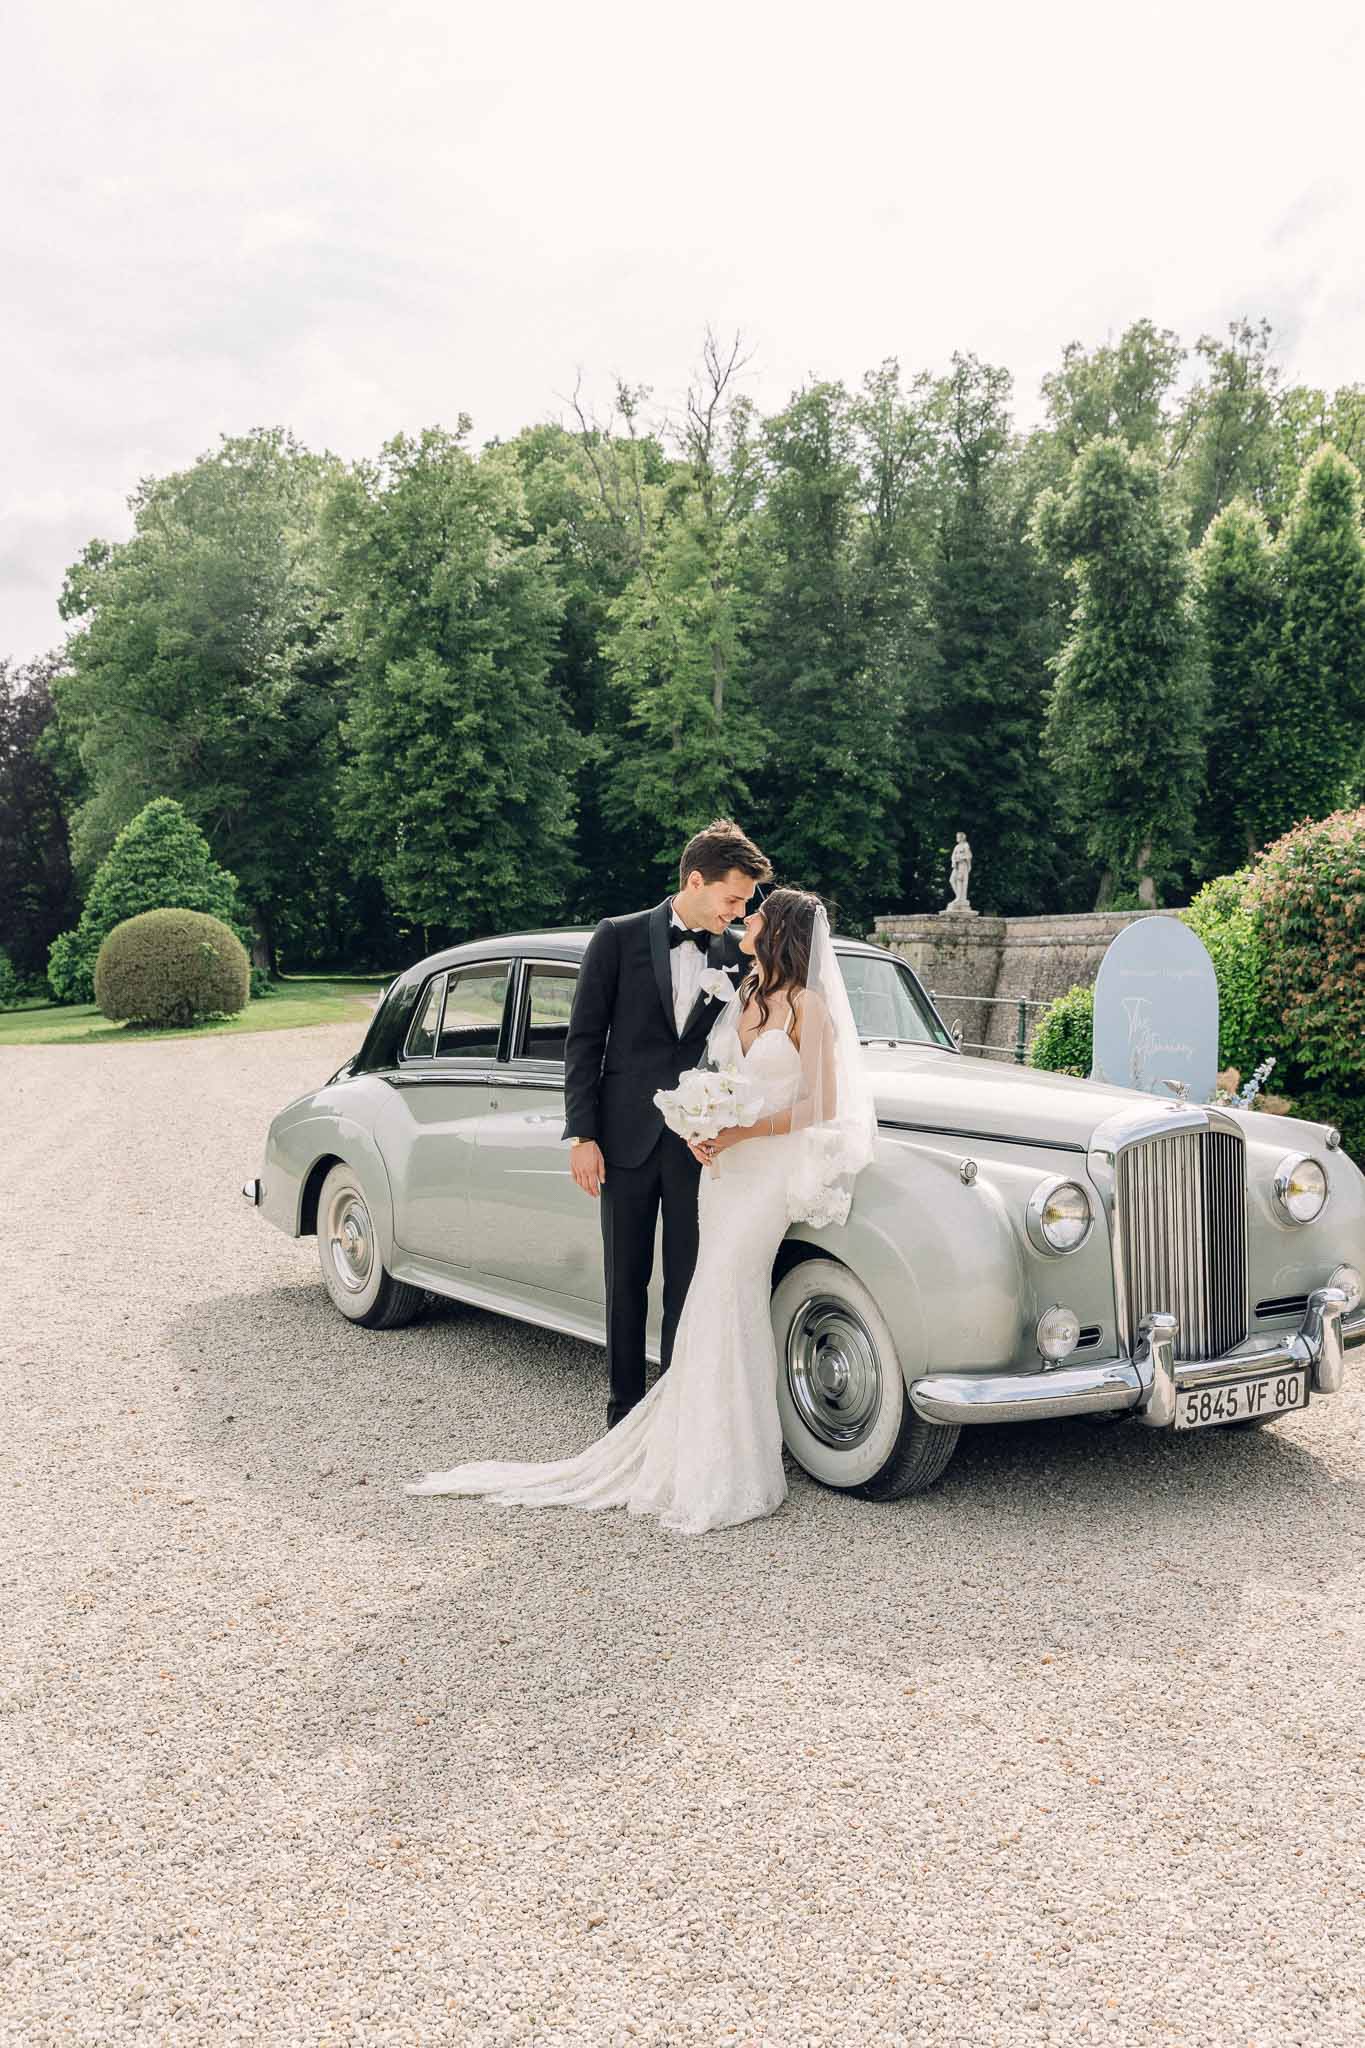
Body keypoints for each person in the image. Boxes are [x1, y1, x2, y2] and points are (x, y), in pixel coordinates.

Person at [403, 886, 877, 1535]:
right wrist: (699, 1116)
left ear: (781, 932)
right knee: (701, 1298)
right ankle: (691, 1444)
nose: (744, 917)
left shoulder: (808, 1007)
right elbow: (665, 1058)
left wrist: (735, 1129)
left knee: (722, 1296)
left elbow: (821, 1103)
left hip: (759, 1174)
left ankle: (735, 1456)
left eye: (756, 914)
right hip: (719, 1169)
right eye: (741, 905)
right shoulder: (744, 994)